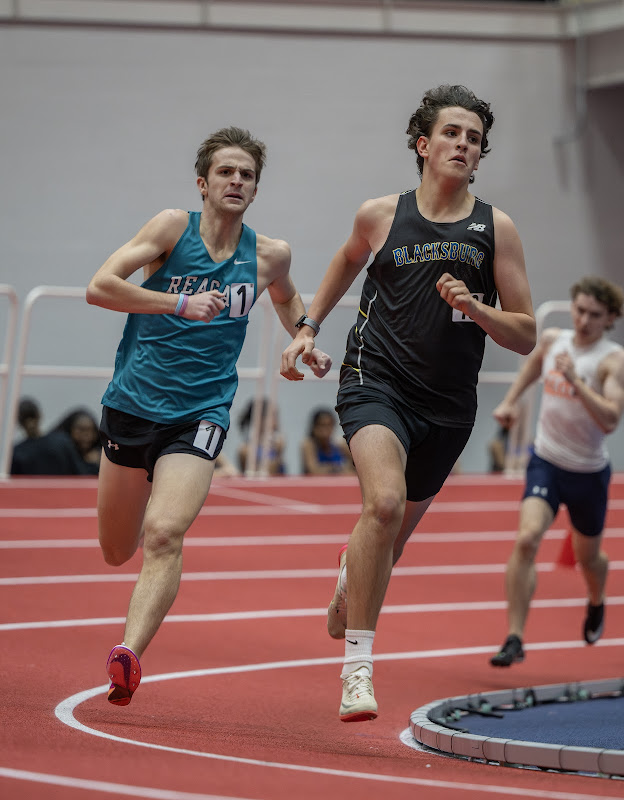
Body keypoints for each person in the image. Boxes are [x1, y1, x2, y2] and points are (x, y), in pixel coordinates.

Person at [281, 84, 536, 722]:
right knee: (384, 503)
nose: (463, 145)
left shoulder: (494, 228)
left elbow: (527, 333)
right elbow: (345, 263)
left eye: (474, 139)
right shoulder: (381, 215)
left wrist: (477, 308)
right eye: (452, 133)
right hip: (376, 379)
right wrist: (308, 327)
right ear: (423, 145)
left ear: (480, 157)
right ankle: (358, 669)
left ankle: (352, 577)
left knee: (387, 538)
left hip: (448, 407)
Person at [86, 126, 331, 706]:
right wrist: (178, 301)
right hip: (134, 403)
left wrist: (303, 338)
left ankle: (129, 655)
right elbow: (100, 287)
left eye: (247, 175)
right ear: (203, 182)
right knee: (116, 550)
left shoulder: (269, 254)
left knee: (164, 534)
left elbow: (287, 298)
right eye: (226, 172)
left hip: (203, 409)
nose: (237, 181)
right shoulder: (172, 229)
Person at [490, 276, 624, 667]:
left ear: (610, 318)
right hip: (546, 461)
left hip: (587, 473)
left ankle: (596, 598)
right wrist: (511, 402)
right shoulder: (553, 342)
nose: (583, 320)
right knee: (527, 538)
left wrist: (576, 382)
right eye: (579, 311)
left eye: (594, 315)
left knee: (589, 559)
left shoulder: (611, 359)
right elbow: (531, 370)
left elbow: (610, 420)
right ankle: (515, 636)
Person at [237, 396, 286, 475]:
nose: (277, 421)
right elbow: (266, 474)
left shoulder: (277, 443)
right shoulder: (245, 450)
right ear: (260, 419)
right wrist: (278, 453)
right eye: (273, 416)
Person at [301, 406, 354, 475]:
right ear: (314, 427)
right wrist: (338, 469)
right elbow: (313, 470)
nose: (325, 430)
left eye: (329, 425)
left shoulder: (340, 445)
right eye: (322, 425)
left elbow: (355, 468)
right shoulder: (308, 444)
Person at [55, 407, 102, 475]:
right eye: (81, 430)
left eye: (92, 430)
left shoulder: (99, 455)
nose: (87, 435)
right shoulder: (60, 455)